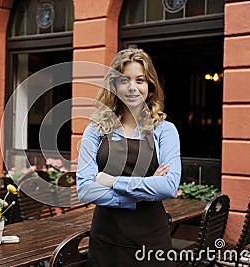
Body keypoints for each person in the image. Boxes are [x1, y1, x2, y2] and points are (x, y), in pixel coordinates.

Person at [76, 48, 181, 266]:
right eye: (124, 80)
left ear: (149, 86)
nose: (132, 87)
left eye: (140, 80)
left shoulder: (165, 130)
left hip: (151, 241)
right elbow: (85, 190)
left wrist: (113, 181)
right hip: (107, 240)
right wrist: (141, 194)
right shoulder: (95, 129)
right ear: (114, 86)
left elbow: (169, 186)